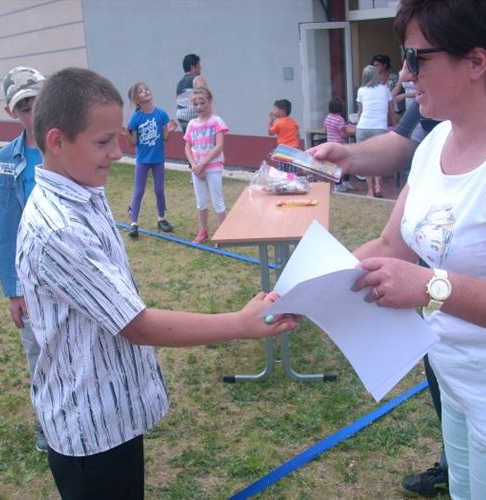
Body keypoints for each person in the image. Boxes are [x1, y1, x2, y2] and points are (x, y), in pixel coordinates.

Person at [16, 67, 297, 499]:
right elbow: (136, 324)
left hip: (111, 413)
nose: (118, 153)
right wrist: (241, 322)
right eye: (103, 142)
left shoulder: (83, 189)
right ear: (57, 141)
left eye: (117, 138)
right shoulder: (57, 229)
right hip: (90, 431)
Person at [309, 28, 486, 498]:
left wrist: (431, 286)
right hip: (457, 382)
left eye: (416, 58)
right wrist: (305, 288)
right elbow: (392, 244)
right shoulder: (437, 141)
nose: (405, 75)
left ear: (476, 61)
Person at [0, 66, 48, 453]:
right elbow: (5, 226)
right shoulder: (5, 161)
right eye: (24, 107)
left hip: (71, 271)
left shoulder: (69, 145)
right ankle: (47, 422)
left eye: (37, 102)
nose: (32, 112)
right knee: (38, 352)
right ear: (11, 112)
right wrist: (13, 291)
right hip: (31, 278)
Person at [124, 82, 177, 239]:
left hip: (158, 159)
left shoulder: (161, 114)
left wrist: (170, 130)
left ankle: (161, 219)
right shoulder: (136, 118)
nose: (145, 91)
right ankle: (133, 223)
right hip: (142, 160)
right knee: (139, 191)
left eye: (146, 89)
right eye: (141, 91)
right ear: (136, 100)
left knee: (159, 190)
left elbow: (165, 138)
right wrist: (126, 134)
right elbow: (133, 142)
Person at [183, 86, 229, 244]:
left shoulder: (216, 121)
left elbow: (219, 146)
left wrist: (203, 163)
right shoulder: (191, 124)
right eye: (195, 104)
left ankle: (223, 233)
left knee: (217, 201)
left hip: (213, 167)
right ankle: (203, 230)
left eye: (202, 103)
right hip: (197, 169)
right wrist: (194, 165)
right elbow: (188, 147)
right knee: (201, 201)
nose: (199, 107)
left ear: (209, 101)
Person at [356, 64, 394, 198]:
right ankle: (378, 187)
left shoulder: (361, 91)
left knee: (366, 160)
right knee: (378, 158)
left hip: (363, 126)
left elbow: (360, 112)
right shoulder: (385, 89)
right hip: (379, 127)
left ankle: (370, 191)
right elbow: (391, 111)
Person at [323, 97, 354, 192]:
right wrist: (350, 133)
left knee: (335, 166)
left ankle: (338, 185)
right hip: (340, 145)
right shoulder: (340, 119)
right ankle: (345, 182)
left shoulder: (328, 117)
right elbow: (342, 134)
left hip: (330, 145)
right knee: (348, 163)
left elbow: (325, 130)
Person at [175, 53, 208, 133]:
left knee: (190, 139)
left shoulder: (179, 83)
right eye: (199, 66)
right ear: (193, 67)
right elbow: (205, 97)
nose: (201, 68)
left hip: (182, 118)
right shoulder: (197, 79)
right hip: (194, 115)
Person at [267, 98, 300, 173]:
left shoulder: (278, 123)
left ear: (282, 111)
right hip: (294, 148)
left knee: (282, 168)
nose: (273, 111)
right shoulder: (293, 122)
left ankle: (283, 179)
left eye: (275, 109)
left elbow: (271, 133)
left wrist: (270, 122)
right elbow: (298, 135)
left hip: (283, 149)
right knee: (292, 168)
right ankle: (291, 179)